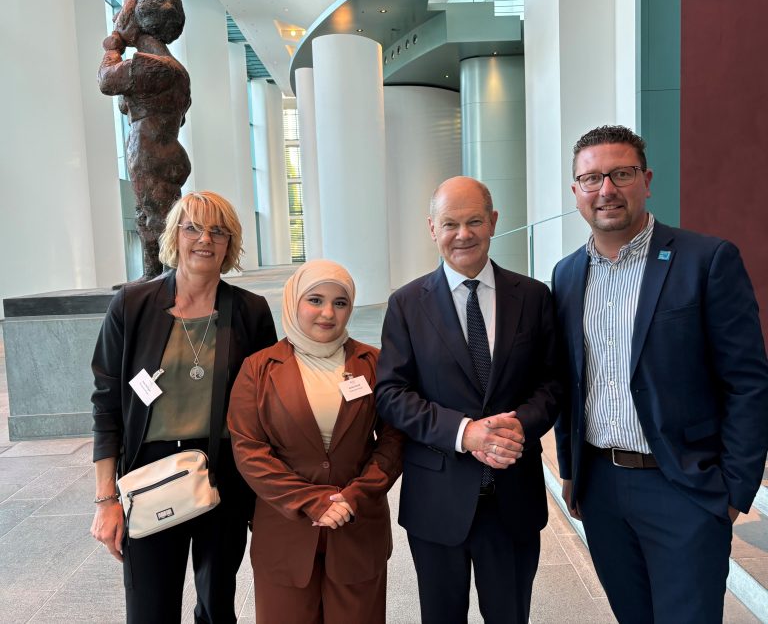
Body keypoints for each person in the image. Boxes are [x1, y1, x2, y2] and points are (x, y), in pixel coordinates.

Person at [552, 124, 768, 623]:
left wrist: (734, 490)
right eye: (591, 179)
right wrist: (570, 467)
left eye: (621, 174)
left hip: (682, 486)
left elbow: (749, 383)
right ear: (576, 192)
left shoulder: (706, 260)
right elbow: (569, 381)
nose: (606, 189)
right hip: (602, 488)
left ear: (646, 180)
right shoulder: (566, 275)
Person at [375, 176, 560, 624]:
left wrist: (520, 425)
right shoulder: (406, 304)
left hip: (512, 498)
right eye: (450, 223)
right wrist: (465, 433)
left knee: (510, 615)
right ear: (431, 228)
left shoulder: (533, 297)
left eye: (474, 220)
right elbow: (391, 394)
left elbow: (553, 384)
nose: (463, 234)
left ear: (493, 222)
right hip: (436, 500)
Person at [90, 191, 277, 624]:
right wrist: (106, 500)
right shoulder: (132, 306)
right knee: (150, 607)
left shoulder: (249, 311)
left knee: (216, 605)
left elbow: (267, 402)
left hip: (224, 472)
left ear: (230, 243)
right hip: (150, 470)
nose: (205, 239)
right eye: (193, 227)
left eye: (218, 231)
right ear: (175, 235)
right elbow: (106, 404)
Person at [228, 259, 403, 624]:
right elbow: (249, 450)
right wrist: (311, 500)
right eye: (316, 300)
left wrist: (355, 495)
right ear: (294, 302)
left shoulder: (373, 363)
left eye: (340, 303)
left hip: (357, 525)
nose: (327, 313)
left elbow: (393, 440)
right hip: (285, 532)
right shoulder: (258, 368)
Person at [98, 0, 192, 280]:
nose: (118, 21)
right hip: (156, 149)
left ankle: (166, 280)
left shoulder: (156, 66)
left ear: (137, 21)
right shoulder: (172, 69)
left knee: (158, 218)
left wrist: (113, 45)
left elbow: (106, 80)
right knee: (149, 215)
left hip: (152, 152)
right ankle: (153, 276)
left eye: (124, 15)